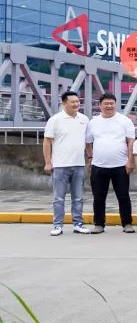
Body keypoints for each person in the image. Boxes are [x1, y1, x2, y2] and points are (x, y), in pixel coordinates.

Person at [85, 93, 137, 234]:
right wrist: (90, 157)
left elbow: (131, 141)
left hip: (120, 165)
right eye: (106, 103)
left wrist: (130, 161)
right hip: (98, 165)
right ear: (100, 105)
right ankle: (99, 224)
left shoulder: (124, 120)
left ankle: (127, 223)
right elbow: (88, 142)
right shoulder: (93, 122)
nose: (109, 106)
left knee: (124, 196)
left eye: (111, 103)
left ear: (115, 104)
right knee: (99, 197)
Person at [43, 91, 92, 236]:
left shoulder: (84, 119)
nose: (76, 104)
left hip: (78, 164)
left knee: (78, 197)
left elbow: (87, 141)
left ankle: (78, 224)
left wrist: (90, 157)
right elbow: (47, 141)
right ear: (64, 103)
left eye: (78, 101)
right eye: (73, 102)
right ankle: (58, 225)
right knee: (58, 198)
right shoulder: (55, 119)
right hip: (60, 165)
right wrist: (48, 162)